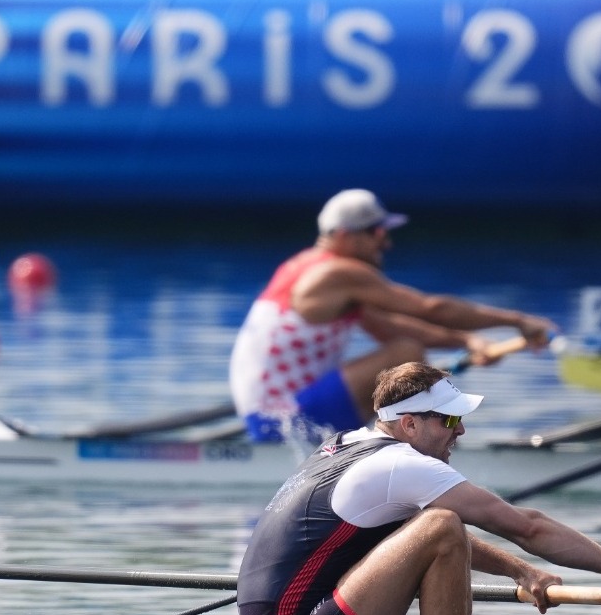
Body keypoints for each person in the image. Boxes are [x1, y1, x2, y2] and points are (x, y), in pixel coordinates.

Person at [237, 362, 601, 615]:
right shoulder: (400, 466)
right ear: (408, 424)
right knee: (442, 523)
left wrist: (520, 571)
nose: (460, 431)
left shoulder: (344, 445)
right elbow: (527, 526)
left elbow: (405, 541)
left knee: (436, 526)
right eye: (450, 419)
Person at [230, 189, 556, 442]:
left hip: (277, 413)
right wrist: (518, 321)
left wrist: (469, 342)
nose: (385, 242)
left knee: (405, 351)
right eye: (377, 232)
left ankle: (407, 438)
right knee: (407, 356)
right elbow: (431, 309)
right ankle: (422, 442)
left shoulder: (310, 269)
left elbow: (391, 329)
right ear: (346, 236)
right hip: (282, 421)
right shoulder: (336, 274)